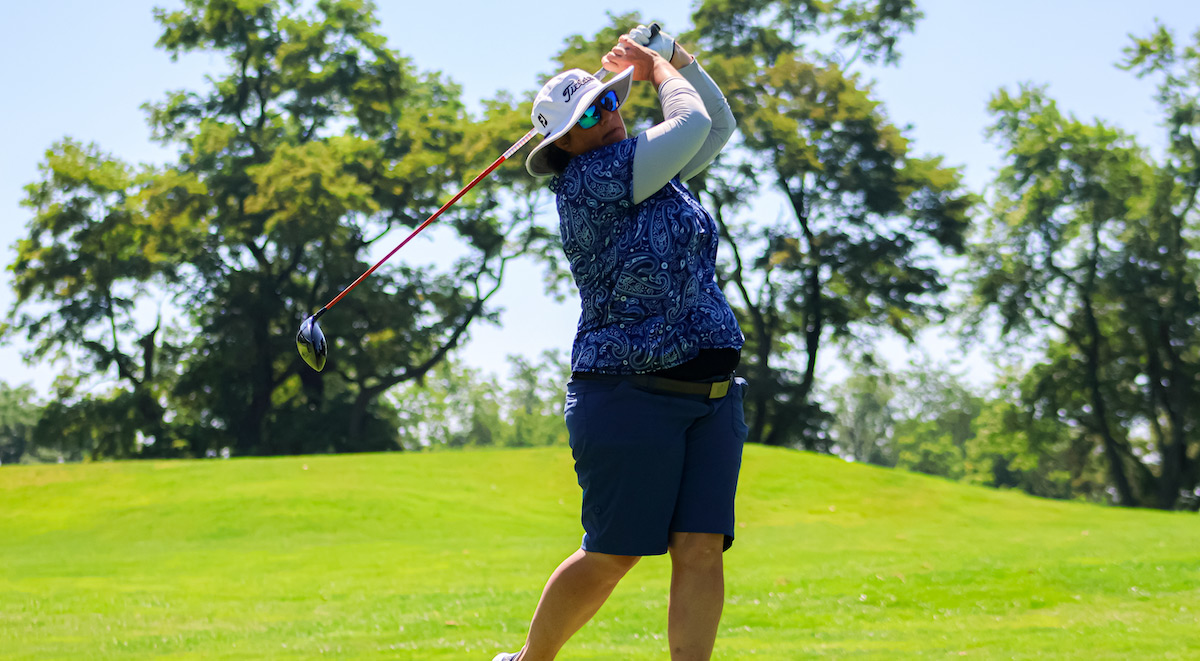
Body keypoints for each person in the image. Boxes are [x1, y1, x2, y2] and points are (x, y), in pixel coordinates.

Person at [493, 24, 748, 661]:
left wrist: (675, 57)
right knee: (614, 551)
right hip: (629, 394)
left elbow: (715, 127)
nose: (607, 116)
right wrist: (656, 71)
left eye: (608, 101)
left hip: (711, 396)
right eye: (588, 115)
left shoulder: (649, 169)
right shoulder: (593, 180)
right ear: (564, 144)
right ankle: (531, 660)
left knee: (700, 549)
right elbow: (689, 127)